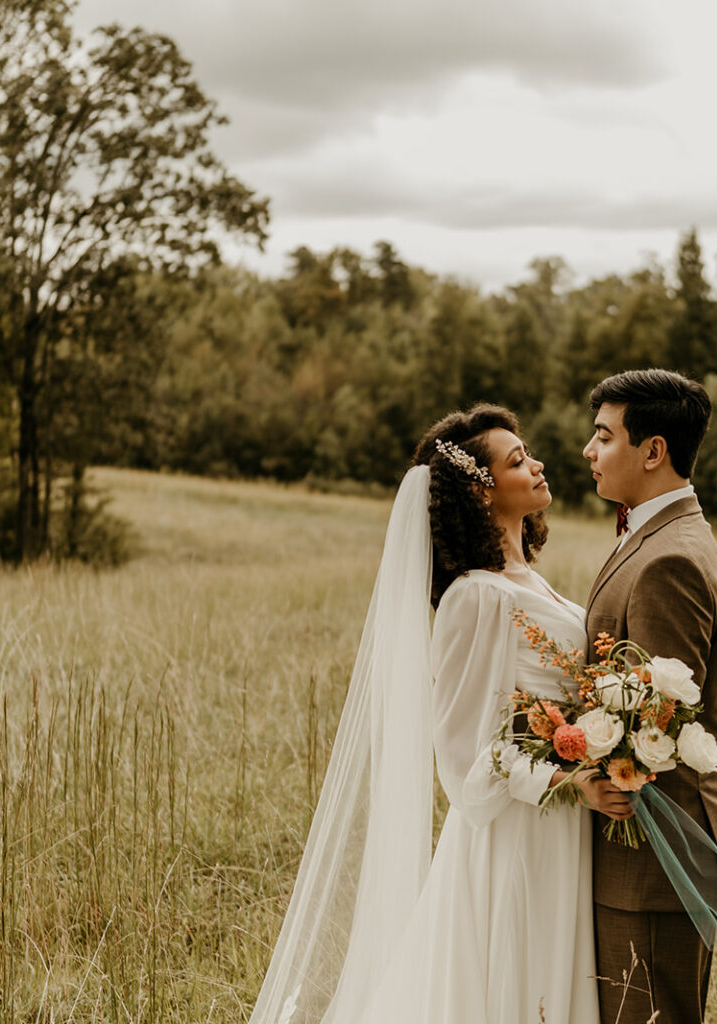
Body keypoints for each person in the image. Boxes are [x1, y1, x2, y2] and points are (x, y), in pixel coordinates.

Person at [247, 403, 603, 1024]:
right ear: (479, 488)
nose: (538, 463)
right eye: (517, 460)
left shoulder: (528, 581)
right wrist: (566, 780)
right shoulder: (474, 597)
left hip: (563, 824)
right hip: (518, 837)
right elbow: (465, 755)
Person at [581, 369, 717, 1024]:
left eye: (604, 436)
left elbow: (659, 727)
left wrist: (577, 768)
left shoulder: (668, 556)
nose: (589, 451)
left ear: (653, 451)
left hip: (652, 859)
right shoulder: (653, 534)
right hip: (642, 855)